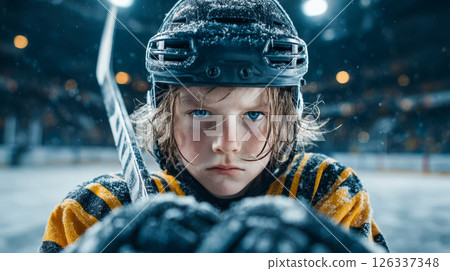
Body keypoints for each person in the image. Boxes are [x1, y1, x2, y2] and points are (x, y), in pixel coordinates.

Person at [40, 0, 389, 253]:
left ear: (287, 120)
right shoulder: (98, 210)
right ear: (164, 118)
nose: (227, 143)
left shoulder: (325, 191)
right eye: (201, 114)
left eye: (254, 115)